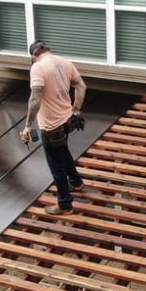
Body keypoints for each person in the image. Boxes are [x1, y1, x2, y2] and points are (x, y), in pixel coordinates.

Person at [19, 40, 87, 215]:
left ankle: (65, 205)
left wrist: (27, 126)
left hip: (51, 127)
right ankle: (76, 182)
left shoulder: (38, 68)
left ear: (34, 55)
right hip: (67, 120)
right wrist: (77, 110)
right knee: (63, 150)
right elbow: (81, 86)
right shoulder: (65, 62)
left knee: (56, 167)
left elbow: (35, 99)